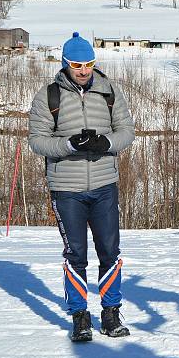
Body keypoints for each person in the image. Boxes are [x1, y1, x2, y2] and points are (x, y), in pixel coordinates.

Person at [28, 32, 135, 342]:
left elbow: (127, 131)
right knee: (76, 254)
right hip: (67, 189)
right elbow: (37, 141)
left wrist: (106, 142)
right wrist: (70, 145)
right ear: (65, 64)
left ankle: (111, 314)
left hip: (104, 185)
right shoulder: (49, 96)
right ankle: (79, 317)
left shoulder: (109, 92)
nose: (84, 70)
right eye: (77, 64)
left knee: (110, 251)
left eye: (89, 63)